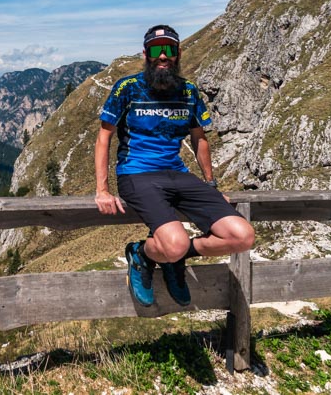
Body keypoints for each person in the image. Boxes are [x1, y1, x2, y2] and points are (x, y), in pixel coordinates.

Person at [94, 24, 255, 307]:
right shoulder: (127, 88)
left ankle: (173, 257)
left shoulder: (189, 91)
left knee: (242, 236)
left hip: (179, 174)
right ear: (146, 54)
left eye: (169, 49)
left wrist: (211, 185)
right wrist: (102, 190)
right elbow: (104, 137)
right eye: (157, 50)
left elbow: (199, 138)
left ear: (178, 53)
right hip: (137, 173)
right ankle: (142, 254)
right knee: (174, 241)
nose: (163, 56)